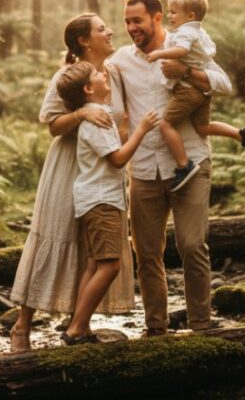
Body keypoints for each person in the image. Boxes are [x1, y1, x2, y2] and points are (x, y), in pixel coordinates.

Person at [8, 13, 134, 352]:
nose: (110, 32)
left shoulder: (114, 74)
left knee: (93, 249)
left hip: (104, 168)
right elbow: (52, 124)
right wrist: (80, 114)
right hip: (69, 168)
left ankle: (79, 323)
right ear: (84, 40)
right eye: (101, 29)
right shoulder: (67, 75)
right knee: (55, 235)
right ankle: (22, 326)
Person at [108, 0, 230, 336]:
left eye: (138, 21)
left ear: (157, 17)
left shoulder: (187, 45)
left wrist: (187, 71)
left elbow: (224, 83)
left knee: (192, 246)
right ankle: (156, 329)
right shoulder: (120, 61)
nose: (132, 28)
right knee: (146, 254)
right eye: (127, 21)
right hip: (144, 170)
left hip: (191, 163)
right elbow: (98, 85)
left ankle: (201, 327)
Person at [55, 62, 159, 344]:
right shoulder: (97, 117)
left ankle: (81, 325)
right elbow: (117, 158)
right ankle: (76, 329)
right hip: (102, 201)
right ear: (89, 88)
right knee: (110, 266)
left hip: (96, 198)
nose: (104, 75)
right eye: (98, 75)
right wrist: (143, 129)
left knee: (93, 264)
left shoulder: (98, 115)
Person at [145, 0, 245, 191]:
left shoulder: (185, 33)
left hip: (188, 90)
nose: (170, 16)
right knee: (202, 127)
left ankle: (184, 165)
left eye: (173, 12)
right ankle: (240, 134)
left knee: (165, 125)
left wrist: (159, 54)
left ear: (190, 15)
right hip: (201, 91)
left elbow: (181, 50)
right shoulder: (199, 32)